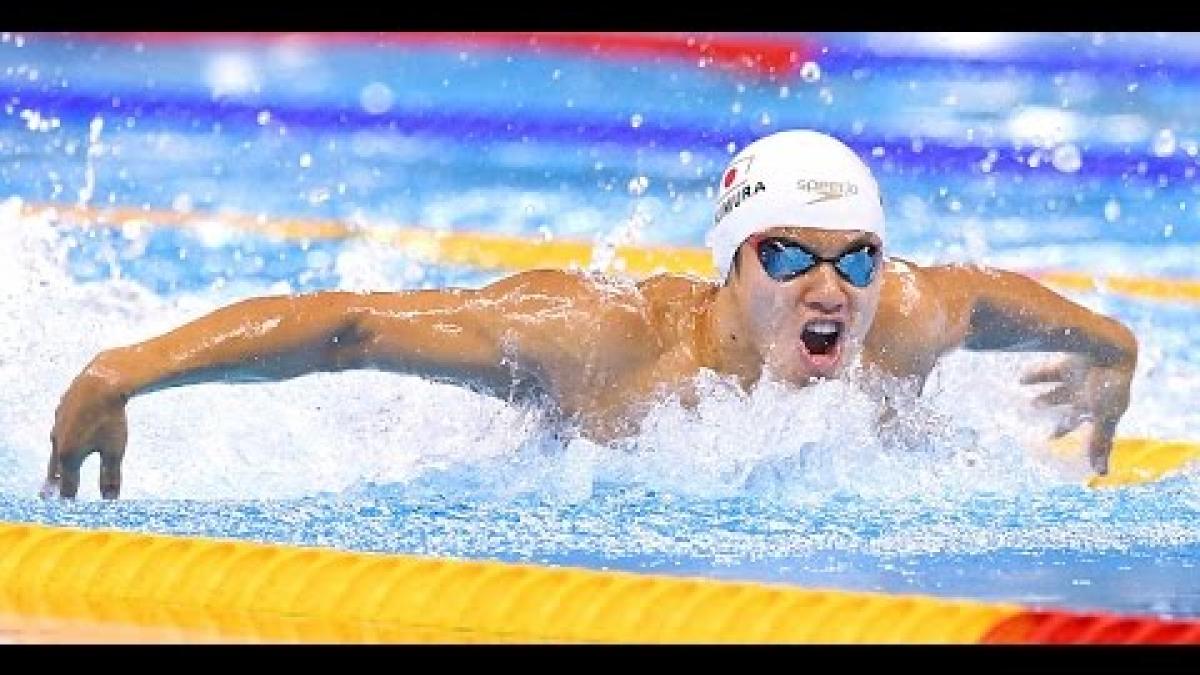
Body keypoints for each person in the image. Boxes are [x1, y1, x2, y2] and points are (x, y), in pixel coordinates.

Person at [44, 129, 1138, 500]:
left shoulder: (895, 318)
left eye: (856, 257)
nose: (829, 288)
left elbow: (987, 299)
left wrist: (1115, 350)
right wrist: (121, 370)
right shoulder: (602, 341)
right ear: (729, 265)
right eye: (790, 253)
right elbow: (354, 327)